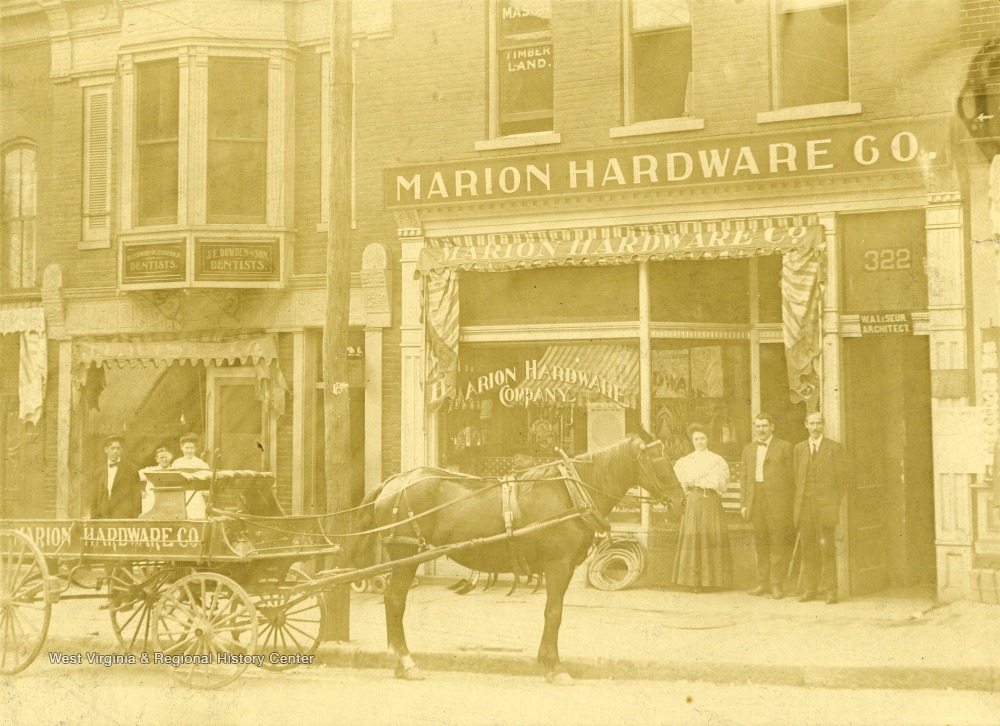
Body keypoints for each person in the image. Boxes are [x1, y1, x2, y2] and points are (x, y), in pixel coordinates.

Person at [793, 412, 850, 605]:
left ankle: (831, 591)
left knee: (827, 549)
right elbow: (797, 478)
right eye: (811, 423)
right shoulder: (799, 449)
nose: (815, 427)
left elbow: (843, 480)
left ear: (823, 425)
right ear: (805, 425)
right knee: (808, 549)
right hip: (805, 508)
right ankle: (810, 589)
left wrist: (832, 502)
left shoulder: (834, 448)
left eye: (818, 423)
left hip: (825, 508)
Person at [671, 423, 733, 593]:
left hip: (712, 501)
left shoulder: (717, 460)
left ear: (708, 439)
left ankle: (714, 580)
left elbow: (724, 482)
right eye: (696, 439)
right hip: (694, 501)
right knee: (695, 539)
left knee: (712, 537)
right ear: (692, 441)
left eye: (702, 438)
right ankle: (695, 582)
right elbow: (680, 484)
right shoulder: (685, 461)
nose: (699, 442)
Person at [740, 412, 795, 599]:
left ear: (772, 427)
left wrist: (788, 504)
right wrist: (744, 504)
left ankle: (776, 584)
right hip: (756, 500)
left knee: (778, 543)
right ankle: (762, 583)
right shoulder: (748, 449)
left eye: (764, 426)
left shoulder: (785, 447)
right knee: (761, 543)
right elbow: (745, 478)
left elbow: (791, 479)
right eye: (758, 426)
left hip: (778, 502)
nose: (761, 430)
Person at [89, 434, 142, 519]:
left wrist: (135, 521)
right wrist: (93, 521)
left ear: (122, 450)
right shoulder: (98, 472)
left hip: (124, 517)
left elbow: (137, 498)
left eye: (118, 448)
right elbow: (94, 500)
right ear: (106, 450)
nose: (115, 451)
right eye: (112, 448)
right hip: (103, 517)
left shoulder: (132, 469)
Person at [170, 433, 210, 519]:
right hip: (180, 495)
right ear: (182, 448)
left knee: (196, 516)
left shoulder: (201, 464)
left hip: (196, 495)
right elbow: (172, 479)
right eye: (186, 448)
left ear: (195, 449)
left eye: (191, 448)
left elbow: (207, 482)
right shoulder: (177, 463)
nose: (189, 450)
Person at [138, 447, 173, 515]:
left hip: (168, 503)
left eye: (167, 457)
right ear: (156, 459)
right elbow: (132, 477)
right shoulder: (149, 471)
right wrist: (141, 492)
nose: (165, 460)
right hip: (151, 502)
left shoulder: (175, 471)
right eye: (161, 458)